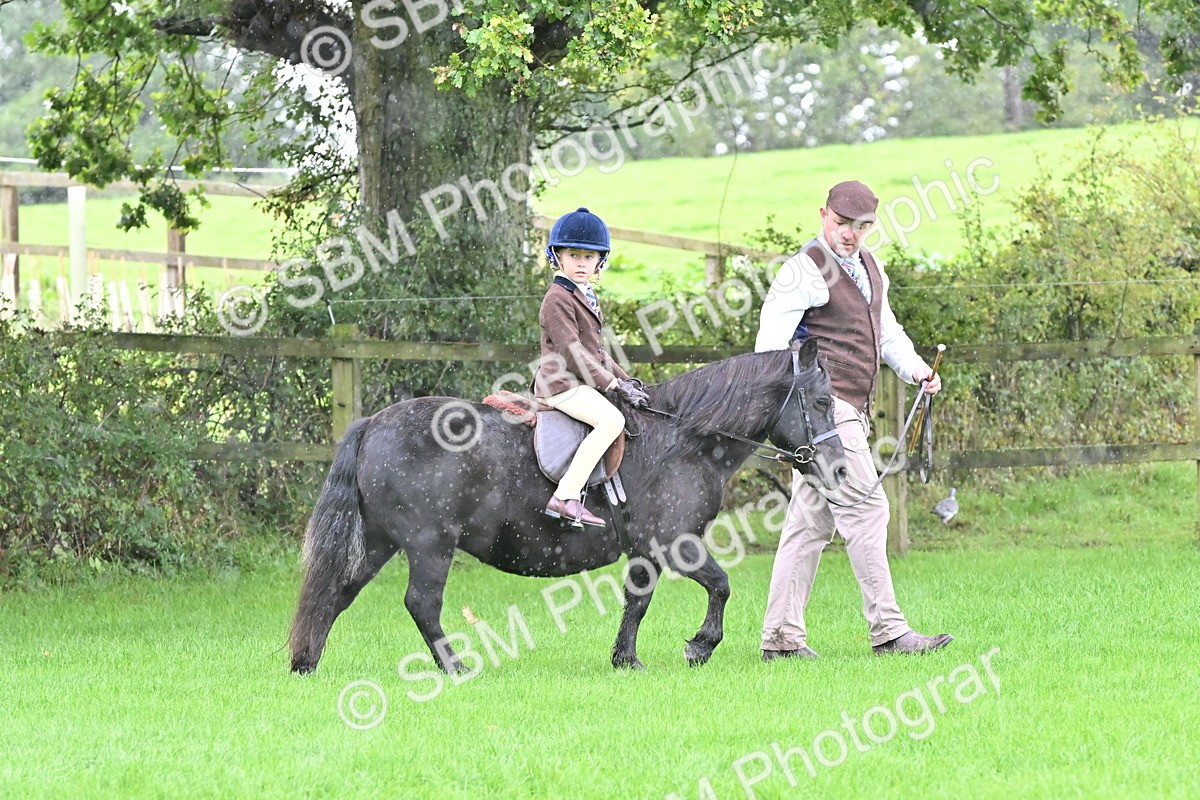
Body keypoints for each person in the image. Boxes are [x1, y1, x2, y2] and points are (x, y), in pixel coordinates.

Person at [755, 180, 954, 658]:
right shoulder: (802, 270)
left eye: (861, 226)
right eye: (842, 223)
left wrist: (917, 370)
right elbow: (768, 353)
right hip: (822, 413)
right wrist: (784, 420)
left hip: (848, 413)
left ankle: (780, 640)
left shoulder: (871, 266)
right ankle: (889, 631)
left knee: (809, 524)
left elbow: (887, 334)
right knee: (868, 508)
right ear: (823, 214)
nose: (850, 234)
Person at [533, 207, 649, 528]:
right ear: (557, 256)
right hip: (561, 384)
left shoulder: (585, 294)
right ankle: (565, 496)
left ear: (600, 260)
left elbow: (596, 353)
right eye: (574, 255)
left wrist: (627, 382)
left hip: (580, 382)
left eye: (589, 256)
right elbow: (574, 354)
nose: (582, 263)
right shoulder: (557, 299)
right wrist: (612, 385)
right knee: (612, 420)